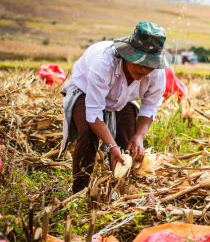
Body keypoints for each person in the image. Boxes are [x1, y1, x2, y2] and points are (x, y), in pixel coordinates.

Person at [60, 21, 171, 193]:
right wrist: (111, 147)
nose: (144, 68)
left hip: (123, 97)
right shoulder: (104, 63)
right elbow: (94, 113)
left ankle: (118, 190)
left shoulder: (156, 74)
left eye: (149, 64)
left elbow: (149, 107)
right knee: (89, 133)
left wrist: (139, 136)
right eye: (139, 61)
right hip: (85, 90)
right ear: (127, 54)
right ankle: (79, 192)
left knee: (128, 139)